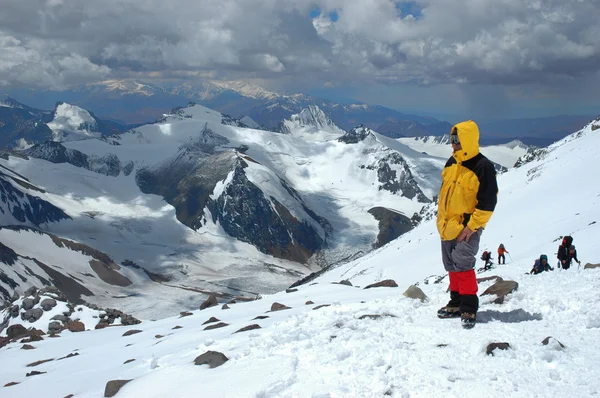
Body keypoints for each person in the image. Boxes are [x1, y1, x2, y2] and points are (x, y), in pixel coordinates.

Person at [436, 120, 498, 329]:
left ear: (468, 140)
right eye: (452, 139)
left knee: (462, 263)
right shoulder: (452, 163)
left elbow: (488, 202)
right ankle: (456, 302)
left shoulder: (483, 167)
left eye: (457, 140)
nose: (453, 144)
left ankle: (469, 306)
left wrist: (472, 227)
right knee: (451, 265)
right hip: (448, 225)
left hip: (466, 227)